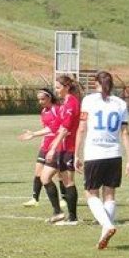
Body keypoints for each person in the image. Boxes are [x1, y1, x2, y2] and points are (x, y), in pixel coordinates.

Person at [74, 71, 129, 249]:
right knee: (109, 194)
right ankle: (105, 231)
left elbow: (81, 128)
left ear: (96, 84)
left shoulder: (88, 101)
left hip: (94, 153)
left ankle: (106, 225)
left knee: (91, 193)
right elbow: (125, 132)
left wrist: (76, 154)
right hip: (114, 154)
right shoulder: (121, 103)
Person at [40, 75, 82, 225]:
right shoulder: (64, 104)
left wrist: (52, 148)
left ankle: (73, 217)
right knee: (45, 178)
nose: (56, 90)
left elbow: (65, 129)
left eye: (58, 87)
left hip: (68, 148)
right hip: (59, 148)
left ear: (66, 87)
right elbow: (55, 127)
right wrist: (34, 134)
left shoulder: (72, 103)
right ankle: (57, 212)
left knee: (68, 182)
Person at [18, 88, 60, 214]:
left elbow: (56, 128)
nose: (40, 101)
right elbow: (46, 128)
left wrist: (34, 134)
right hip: (46, 144)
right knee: (38, 172)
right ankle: (35, 199)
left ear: (49, 98)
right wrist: (42, 142)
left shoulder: (56, 109)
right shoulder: (44, 111)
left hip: (57, 145)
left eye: (43, 99)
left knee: (60, 175)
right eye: (39, 99)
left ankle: (63, 199)